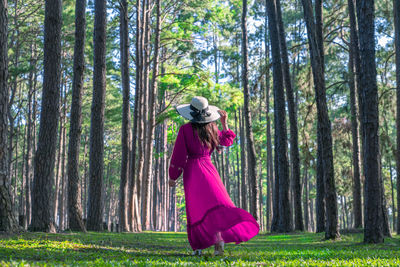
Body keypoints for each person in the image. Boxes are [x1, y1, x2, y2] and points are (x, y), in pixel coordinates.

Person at [168, 96, 259, 256]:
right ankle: (218, 245)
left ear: (191, 112)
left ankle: (198, 247)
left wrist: (173, 176)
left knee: (196, 209)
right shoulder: (213, 128)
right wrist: (224, 123)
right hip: (209, 171)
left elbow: (179, 155)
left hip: (192, 172)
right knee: (217, 205)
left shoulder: (185, 130)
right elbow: (228, 140)